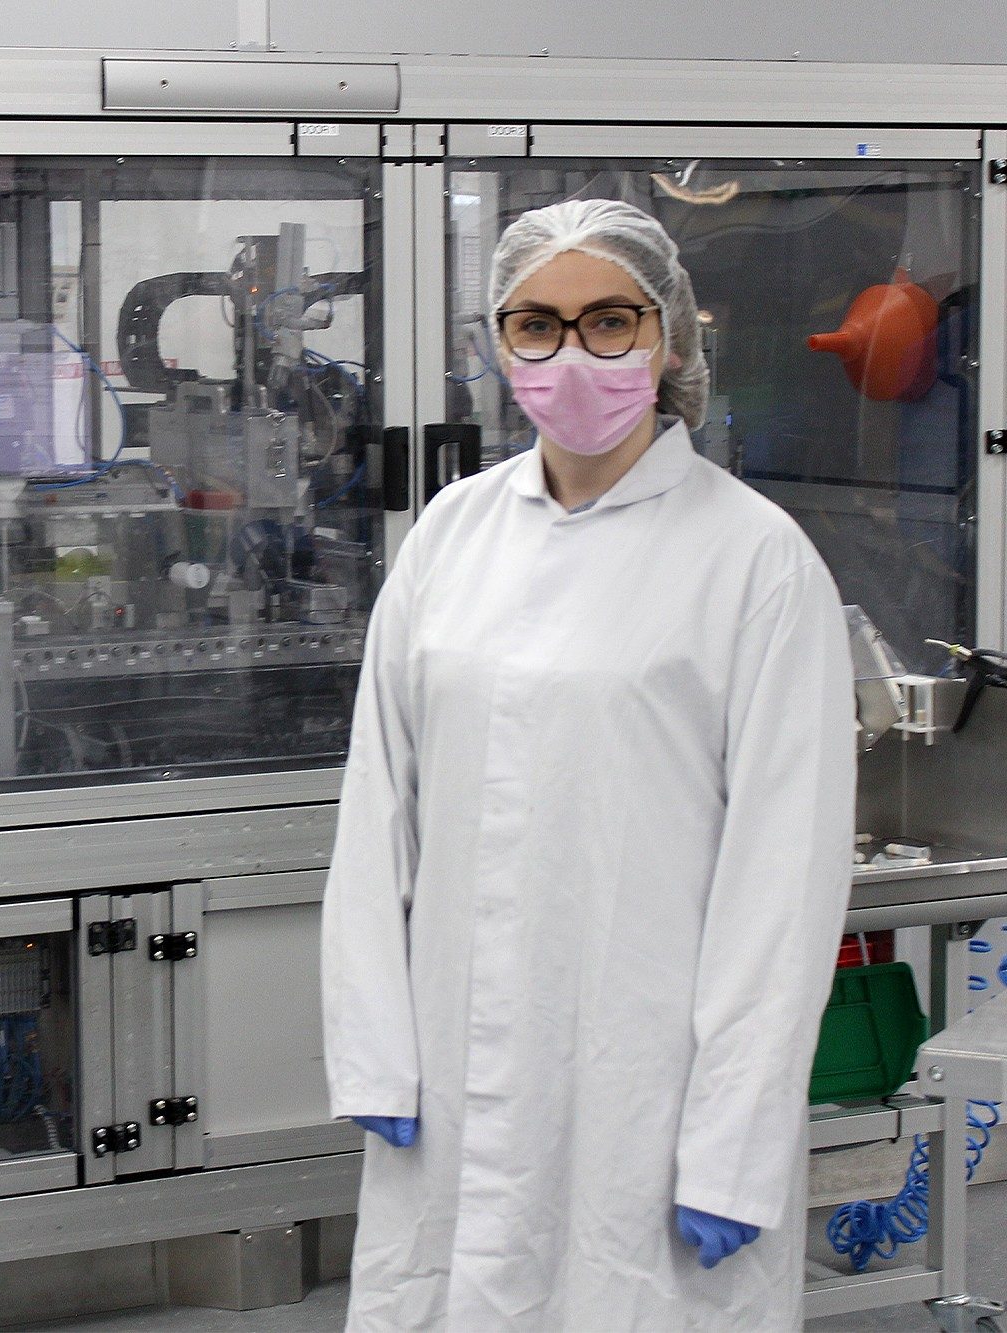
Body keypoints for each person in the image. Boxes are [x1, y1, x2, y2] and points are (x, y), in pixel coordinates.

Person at [320, 198, 855, 1331]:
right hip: (454, 1071)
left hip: (642, 1086)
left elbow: (783, 882)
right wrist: (375, 1050)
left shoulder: (753, 560)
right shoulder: (449, 537)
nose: (571, 356)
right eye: (536, 324)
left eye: (608, 322)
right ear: (496, 342)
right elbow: (377, 814)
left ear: (668, 340)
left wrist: (733, 1139)